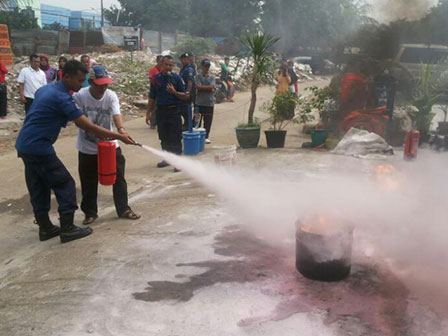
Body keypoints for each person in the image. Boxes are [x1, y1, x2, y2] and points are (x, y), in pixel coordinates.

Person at [15, 60, 135, 244]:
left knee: (39, 185)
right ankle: (68, 228)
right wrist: (118, 136)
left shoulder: (45, 90)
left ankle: (45, 228)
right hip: (39, 147)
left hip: (25, 144)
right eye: (80, 81)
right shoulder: (62, 98)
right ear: (66, 76)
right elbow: (87, 125)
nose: (82, 84)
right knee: (65, 184)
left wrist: (119, 131)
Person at [74, 65, 140, 225]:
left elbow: (116, 114)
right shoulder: (80, 96)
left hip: (110, 147)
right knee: (88, 181)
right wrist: (117, 134)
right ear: (90, 82)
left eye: (106, 84)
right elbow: (81, 123)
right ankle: (90, 213)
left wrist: (121, 130)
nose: (103, 88)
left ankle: (123, 208)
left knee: (118, 178)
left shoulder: (110, 96)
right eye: (100, 84)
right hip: (87, 148)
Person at [146, 55, 187, 171]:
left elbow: (185, 96)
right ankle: (167, 159)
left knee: (175, 137)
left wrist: (174, 92)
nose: (168, 67)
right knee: (163, 137)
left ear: (173, 66)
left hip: (174, 111)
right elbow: (152, 97)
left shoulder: (177, 79)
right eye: (166, 65)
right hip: (161, 112)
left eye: (170, 65)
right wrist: (148, 113)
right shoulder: (156, 79)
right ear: (161, 65)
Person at [196, 59, 215, 144]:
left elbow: (212, 87)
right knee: (197, 121)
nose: (207, 68)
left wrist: (203, 87)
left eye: (208, 66)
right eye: (205, 66)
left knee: (208, 121)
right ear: (202, 66)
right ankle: (197, 136)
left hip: (209, 102)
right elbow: (198, 87)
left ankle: (206, 136)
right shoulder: (198, 76)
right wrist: (208, 87)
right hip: (199, 102)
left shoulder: (212, 76)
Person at [179, 52, 196, 130]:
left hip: (188, 92)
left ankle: (188, 124)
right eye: (182, 59)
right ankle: (187, 123)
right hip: (183, 91)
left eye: (184, 59)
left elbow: (190, 81)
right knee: (183, 109)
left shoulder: (189, 69)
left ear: (188, 60)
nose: (183, 61)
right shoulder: (183, 68)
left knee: (186, 109)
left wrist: (187, 92)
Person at [147, 55, 163, 129]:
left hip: (163, 90)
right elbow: (152, 80)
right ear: (157, 61)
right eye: (160, 61)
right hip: (155, 90)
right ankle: (153, 122)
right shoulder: (153, 70)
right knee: (154, 107)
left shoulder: (164, 69)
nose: (161, 63)